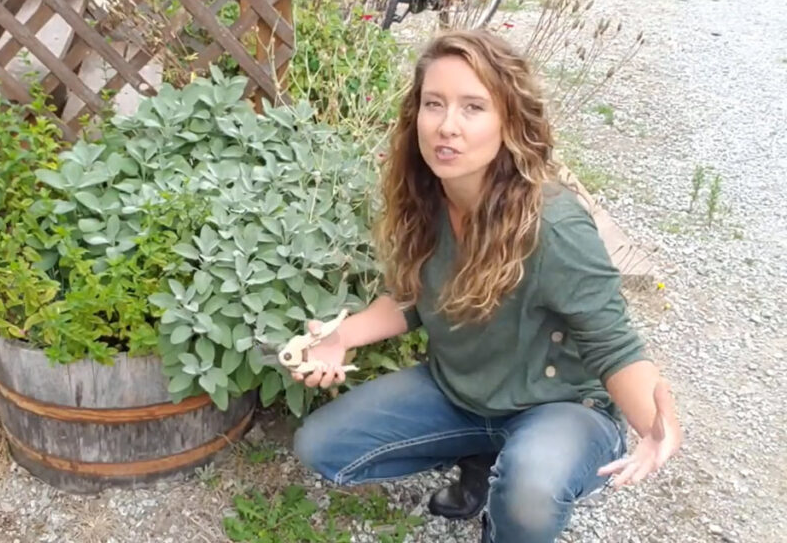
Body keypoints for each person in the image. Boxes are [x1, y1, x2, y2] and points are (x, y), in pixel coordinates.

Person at [290, 29, 682, 543]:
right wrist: (341, 338)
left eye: (473, 107)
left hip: (559, 405)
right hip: (461, 393)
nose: (447, 126)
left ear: (508, 121)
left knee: (530, 493)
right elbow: (410, 295)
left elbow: (614, 345)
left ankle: (513, 491)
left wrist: (655, 425)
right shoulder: (425, 195)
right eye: (434, 104)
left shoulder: (553, 225)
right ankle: (484, 456)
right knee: (321, 445)